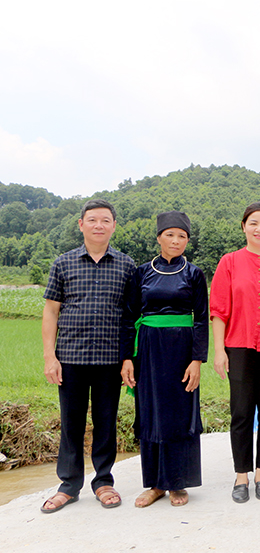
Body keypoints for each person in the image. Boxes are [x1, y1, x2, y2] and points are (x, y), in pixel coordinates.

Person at [41, 199, 136, 513]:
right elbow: (51, 312)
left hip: (110, 359)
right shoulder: (63, 263)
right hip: (70, 358)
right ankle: (69, 485)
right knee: (71, 423)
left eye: (105, 220)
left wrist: (127, 358)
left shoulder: (126, 265)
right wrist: (49, 358)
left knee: (106, 422)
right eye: (92, 220)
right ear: (81, 224)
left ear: (113, 226)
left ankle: (103, 481)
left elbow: (130, 317)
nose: (99, 225)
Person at [121, 211, 208, 508]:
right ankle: (156, 484)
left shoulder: (194, 273)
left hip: (182, 350)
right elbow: (129, 316)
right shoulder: (141, 272)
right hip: (148, 349)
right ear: (158, 237)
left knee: (181, 413)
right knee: (152, 411)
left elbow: (201, 320)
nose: (176, 240)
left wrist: (197, 360)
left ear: (187, 241)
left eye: (182, 236)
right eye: (170, 234)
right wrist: (127, 358)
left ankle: (178, 483)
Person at [210, 202, 260, 504]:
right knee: (242, 412)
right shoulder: (229, 262)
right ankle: (241, 474)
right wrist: (219, 351)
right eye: (254, 223)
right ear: (244, 226)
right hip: (239, 346)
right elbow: (218, 311)